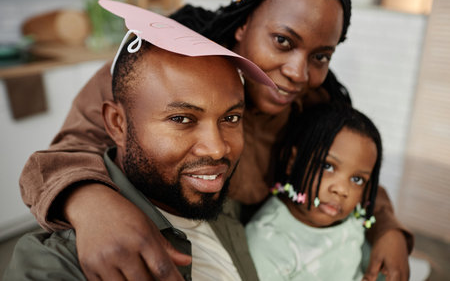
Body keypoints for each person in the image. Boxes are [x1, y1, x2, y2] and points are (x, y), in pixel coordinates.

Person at [19, 0, 413, 280]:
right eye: (282, 41)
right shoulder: (160, 63)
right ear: (242, 25)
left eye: (320, 56)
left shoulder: (314, 104)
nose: (298, 73)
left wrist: (387, 228)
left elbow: (348, 165)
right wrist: (92, 205)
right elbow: (67, 152)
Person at [5, 18, 271, 279]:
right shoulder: (59, 261)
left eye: (231, 118)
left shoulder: (217, 198)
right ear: (117, 124)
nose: (216, 149)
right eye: (181, 119)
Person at [246, 102, 383, 280]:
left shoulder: (353, 219)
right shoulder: (267, 240)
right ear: (292, 162)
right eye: (327, 166)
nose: (342, 190)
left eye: (357, 179)